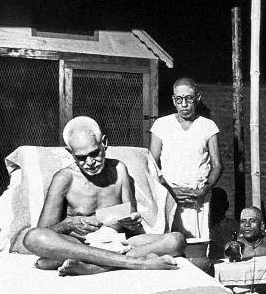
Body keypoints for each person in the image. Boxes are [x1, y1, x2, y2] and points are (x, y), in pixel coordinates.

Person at [25, 116, 185, 276]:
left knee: (177, 240)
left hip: (119, 240)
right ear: (70, 153)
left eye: (94, 153)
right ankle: (137, 262)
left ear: (104, 143)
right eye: (81, 157)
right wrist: (69, 224)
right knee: (33, 237)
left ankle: (92, 268)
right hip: (81, 244)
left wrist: (130, 221)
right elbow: (44, 230)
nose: (90, 162)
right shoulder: (64, 178)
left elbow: (131, 218)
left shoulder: (119, 169)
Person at [150, 78, 222, 239]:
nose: (184, 104)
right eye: (179, 99)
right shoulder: (161, 125)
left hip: (198, 198)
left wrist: (204, 189)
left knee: (197, 244)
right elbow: (151, 165)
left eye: (188, 98)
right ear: (173, 100)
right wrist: (168, 190)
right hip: (169, 195)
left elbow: (217, 166)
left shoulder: (208, 126)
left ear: (197, 98)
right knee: (169, 242)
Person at [208, 188, 239, 259]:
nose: (217, 206)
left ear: (227, 205)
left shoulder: (234, 225)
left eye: (220, 202)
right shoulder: (201, 228)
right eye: (214, 203)